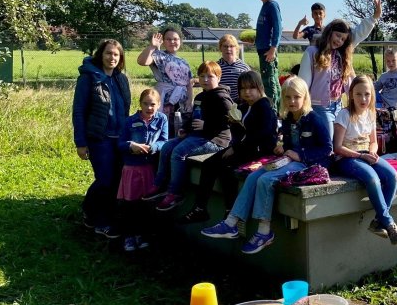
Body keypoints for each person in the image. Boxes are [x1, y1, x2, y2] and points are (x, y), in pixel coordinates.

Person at [201, 77, 332, 254]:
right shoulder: (287, 118)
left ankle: (264, 231)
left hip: (308, 165)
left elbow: (327, 148)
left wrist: (300, 154)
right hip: (289, 161)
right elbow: (289, 143)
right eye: (287, 97)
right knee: (255, 175)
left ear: (305, 98)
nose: (292, 101)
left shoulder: (314, 119)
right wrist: (283, 148)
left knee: (266, 179)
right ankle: (231, 223)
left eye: (296, 97)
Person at [181, 71, 278, 224]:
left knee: (227, 168)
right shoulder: (244, 106)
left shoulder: (264, 107)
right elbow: (239, 133)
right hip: (243, 147)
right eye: (243, 89)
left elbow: (261, 134)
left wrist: (236, 148)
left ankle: (230, 210)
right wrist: (234, 123)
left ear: (260, 88)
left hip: (259, 151)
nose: (247, 92)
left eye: (251, 88)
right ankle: (200, 208)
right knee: (208, 163)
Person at [145, 62, 233, 211]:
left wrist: (207, 126)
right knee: (167, 147)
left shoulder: (222, 98)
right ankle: (160, 184)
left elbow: (229, 122)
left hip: (216, 140)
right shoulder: (200, 96)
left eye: (210, 76)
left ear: (218, 77)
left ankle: (176, 193)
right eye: (202, 76)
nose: (205, 79)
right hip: (197, 136)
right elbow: (194, 117)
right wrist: (185, 128)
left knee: (179, 152)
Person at [333, 75, 397, 245]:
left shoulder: (371, 113)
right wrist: (360, 156)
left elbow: (373, 142)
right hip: (347, 157)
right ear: (351, 95)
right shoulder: (344, 114)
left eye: (367, 94)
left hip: (366, 154)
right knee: (372, 179)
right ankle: (388, 223)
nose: (363, 99)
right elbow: (337, 147)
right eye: (358, 94)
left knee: (392, 176)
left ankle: (378, 222)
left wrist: (372, 153)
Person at [72, 39, 131, 239]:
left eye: (116, 54)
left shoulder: (121, 79)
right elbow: (79, 110)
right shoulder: (89, 78)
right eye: (108, 53)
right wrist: (80, 142)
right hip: (99, 138)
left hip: (119, 138)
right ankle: (100, 221)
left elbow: (125, 108)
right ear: (101, 55)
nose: (112, 58)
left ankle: (93, 212)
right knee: (105, 180)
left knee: (115, 180)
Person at [117, 89, 168, 251]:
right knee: (130, 204)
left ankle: (142, 234)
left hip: (149, 168)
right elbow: (119, 144)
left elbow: (164, 141)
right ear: (140, 104)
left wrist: (153, 147)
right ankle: (129, 236)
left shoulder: (162, 120)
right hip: (131, 168)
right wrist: (131, 146)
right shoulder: (130, 121)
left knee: (145, 204)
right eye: (145, 104)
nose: (149, 108)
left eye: (153, 104)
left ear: (159, 105)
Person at [298, 19, 355, 128]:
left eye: (343, 39)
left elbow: (349, 80)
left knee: (339, 140)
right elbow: (303, 83)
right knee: (328, 140)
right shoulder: (312, 52)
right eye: (338, 35)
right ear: (330, 32)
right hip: (320, 106)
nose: (339, 41)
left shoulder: (341, 55)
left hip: (338, 105)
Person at [136, 28, 193, 127]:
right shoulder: (159, 55)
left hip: (181, 103)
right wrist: (152, 47)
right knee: (164, 128)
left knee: (180, 129)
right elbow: (142, 61)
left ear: (180, 41)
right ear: (163, 41)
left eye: (175, 39)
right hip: (164, 100)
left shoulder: (184, 62)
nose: (172, 42)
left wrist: (189, 101)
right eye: (168, 39)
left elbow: (189, 83)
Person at [255, 0, 282, 111]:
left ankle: (273, 111)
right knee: (270, 80)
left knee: (269, 82)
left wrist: (273, 48)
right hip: (262, 48)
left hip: (268, 50)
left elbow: (278, 28)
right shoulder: (264, 6)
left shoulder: (272, 5)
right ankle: (277, 109)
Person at [216, 34, 251, 103]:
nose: (228, 49)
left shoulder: (244, 67)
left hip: (240, 103)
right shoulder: (216, 66)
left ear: (236, 48)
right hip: (220, 102)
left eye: (231, 46)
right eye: (225, 46)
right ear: (220, 48)